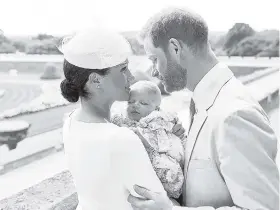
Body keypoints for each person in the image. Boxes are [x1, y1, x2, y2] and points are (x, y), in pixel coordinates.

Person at [127, 7, 279, 210]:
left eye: (154, 59)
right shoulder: (202, 101)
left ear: (175, 49)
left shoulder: (235, 114)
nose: (153, 71)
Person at [59, 27, 185, 210]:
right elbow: (159, 204)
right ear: (96, 80)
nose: (131, 77)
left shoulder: (71, 121)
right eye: (123, 69)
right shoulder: (120, 139)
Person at [111, 80, 186, 199]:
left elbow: (173, 144)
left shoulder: (159, 121)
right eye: (131, 102)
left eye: (143, 103)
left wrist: (177, 130)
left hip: (160, 163)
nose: (135, 105)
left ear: (156, 109)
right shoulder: (122, 119)